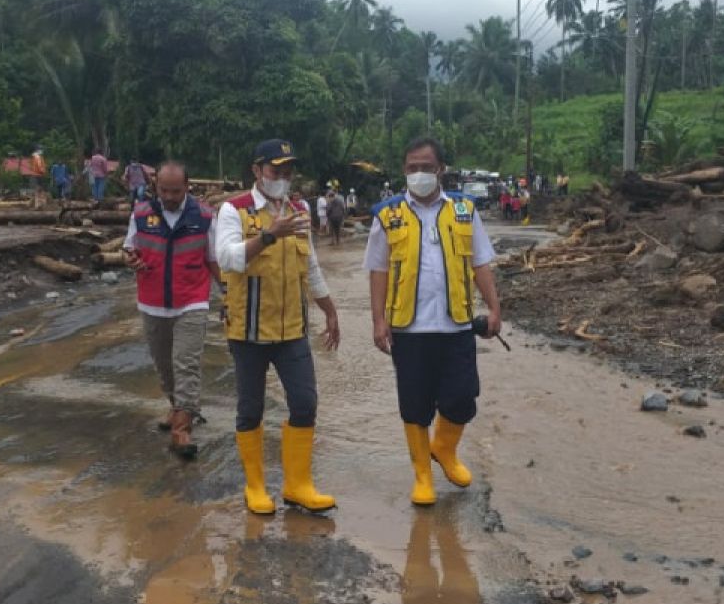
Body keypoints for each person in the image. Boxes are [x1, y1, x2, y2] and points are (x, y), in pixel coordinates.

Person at [363, 137, 501, 506]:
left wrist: (494, 308)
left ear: (441, 169)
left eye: (426, 167)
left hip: (456, 325)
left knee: (462, 398)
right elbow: (377, 271)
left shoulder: (464, 210)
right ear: (404, 171)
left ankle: (444, 448)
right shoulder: (387, 214)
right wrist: (378, 322)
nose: (419, 174)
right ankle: (422, 476)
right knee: (414, 405)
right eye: (412, 168)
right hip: (408, 329)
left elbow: (480, 263)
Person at [215, 139, 340, 515]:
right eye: (275, 171)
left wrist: (330, 311)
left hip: (292, 330)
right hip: (249, 331)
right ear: (257, 171)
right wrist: (270, 235)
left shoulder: (299, 209)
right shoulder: (233, 210)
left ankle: (297, 485)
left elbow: (312, 267)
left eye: (288, 173)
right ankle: (255, 487)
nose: (282, 179)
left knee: (305, 403)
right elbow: (227, 258)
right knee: (250, 409)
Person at [124, 162, 221, 459]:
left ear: (187, 187)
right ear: (155, 186)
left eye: (175, 191)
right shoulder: (141, 214)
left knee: (185, 363)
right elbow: (129, 248)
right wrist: (130, 259)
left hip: (191, 300)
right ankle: (177, 404)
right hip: (152, 301)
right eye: (164, 190)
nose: (169, 196)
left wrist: (229, 293)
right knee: (164, 366)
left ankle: (182, 427)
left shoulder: (204, 216)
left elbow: (213, 258)